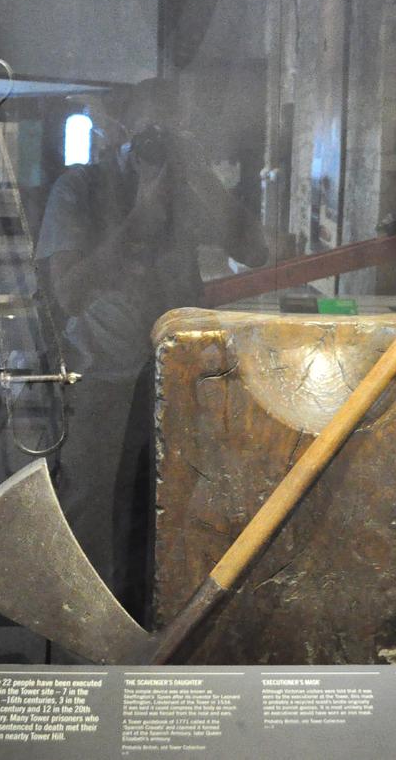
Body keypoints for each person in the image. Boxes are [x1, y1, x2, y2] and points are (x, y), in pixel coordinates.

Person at [34, 77, 268, 617]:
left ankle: (166, 618)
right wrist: (140, 217)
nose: (157, 145)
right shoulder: (81, 189)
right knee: (92, 502)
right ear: (122, 130)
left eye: (172, 132)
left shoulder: (191, 190)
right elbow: (68, 293)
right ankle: (85, 621)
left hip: (179, 375)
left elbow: (255, 249)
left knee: (177, 501)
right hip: (101, 372)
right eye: (149, 132)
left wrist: (201, 178)